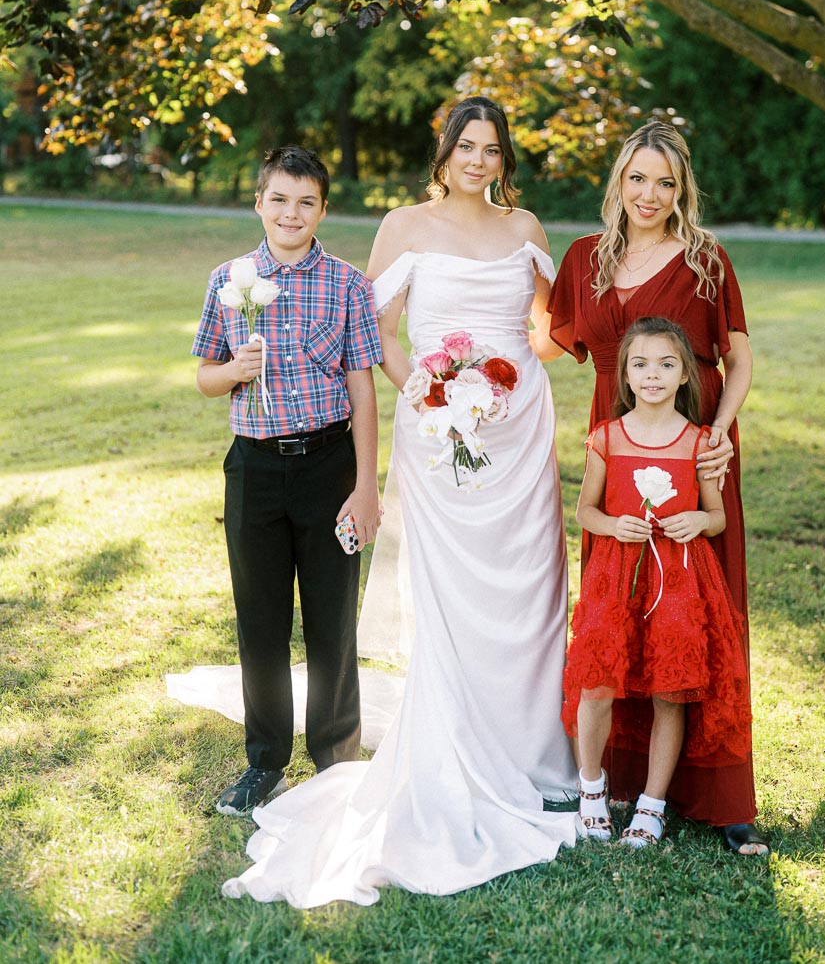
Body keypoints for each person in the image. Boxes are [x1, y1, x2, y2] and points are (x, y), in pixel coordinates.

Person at [218, 96, 579, 908]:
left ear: (503, 157)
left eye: (491, 149)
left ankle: (535, 755)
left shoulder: (527, 232)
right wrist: (428, 386)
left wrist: (510, 377)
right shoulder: (402, 225)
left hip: (518, 432)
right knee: (455, 591)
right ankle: (452, 743)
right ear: (444, 150)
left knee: (530, 586)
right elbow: (367, 326)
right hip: (438, 428)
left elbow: (549, 330)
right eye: (466, 146)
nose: (478, 161)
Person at [533, 119, 767, 854]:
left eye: (665, 182)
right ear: (618, 183)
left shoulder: (704, 259)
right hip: (616, 440)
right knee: (617, 609)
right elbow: (546, 337)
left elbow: (738, 354)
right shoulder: (584, 259)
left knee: (702, 611)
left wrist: (720, 436)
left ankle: (721, 796)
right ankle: (614, 780)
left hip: (695, 447)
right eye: (638, 177)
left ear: (682, 190)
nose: (650, 193)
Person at [192, 145, 382, 817]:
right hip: (255, 469)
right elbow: (205, 378)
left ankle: (335, 759)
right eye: (279, 199)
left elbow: (363, 391)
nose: (291, 212)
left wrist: (366, 486)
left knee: (332, 619)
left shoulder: (349, 284)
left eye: (306, 201)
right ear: (259, 204)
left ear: (323, 209)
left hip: (329, 466)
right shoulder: (229, 278)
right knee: (261, 620)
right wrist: (235, 370)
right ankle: (265, 761)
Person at [563, 317, 751, 849]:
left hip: (680, 583)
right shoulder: (607, 438)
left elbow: (715, 516)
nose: (652, 375)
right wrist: (612, 525)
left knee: (671, 690)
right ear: (624, 375)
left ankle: (652, 804)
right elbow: (585, 511)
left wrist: (698, 521)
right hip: (617, 578)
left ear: (686, 375)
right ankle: (592, 790)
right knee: (598, 684)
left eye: (667, 364)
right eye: (640, 364)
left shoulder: (699, 444)